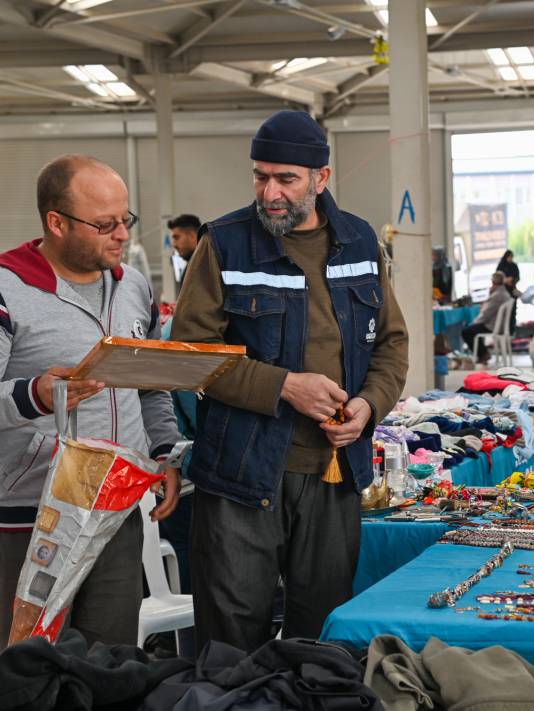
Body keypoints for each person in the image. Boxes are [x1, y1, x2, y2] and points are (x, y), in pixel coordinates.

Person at [171, 111, 409, 651]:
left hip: (331, 475)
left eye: (286, 179)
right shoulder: (225, 243)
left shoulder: (360, 242)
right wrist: (283, 386)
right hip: (240, 474)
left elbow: (391, 342)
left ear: (321, 178)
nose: (270, 192)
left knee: (320, 640)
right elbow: (192, 354)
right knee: (231, 640)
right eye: (260, 177)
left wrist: (370, 405)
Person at [0, 154, 181, 659]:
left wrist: (163, 451)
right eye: (105, 224)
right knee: (28, 673)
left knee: (111, 667)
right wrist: (34, 394)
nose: (121, 235)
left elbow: (150, 385)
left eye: (125, 220)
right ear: (57, 222)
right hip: (30, 520)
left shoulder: (132, 286)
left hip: (113, 512)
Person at [463, 271, 512, 364]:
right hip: (498, 325)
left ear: (493, 282)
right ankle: (483, 353)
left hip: (493, 326)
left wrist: (475, 322)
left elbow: (486, 314)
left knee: (466, 331)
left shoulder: (497, 295)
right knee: (473, 329)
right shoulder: (504, 292)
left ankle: (483, 354)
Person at [497, 249, 520, 326]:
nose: (510, 258)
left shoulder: (514, 266)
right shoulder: (501, 266)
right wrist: (505, 280)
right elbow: (497, 277)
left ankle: (512, 327)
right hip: (503, 292)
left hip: (512, 291)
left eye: (511, 257)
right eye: (509, 257)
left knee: (512, 311)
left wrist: (512, 280)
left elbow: (517, 277)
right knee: (503, 311)